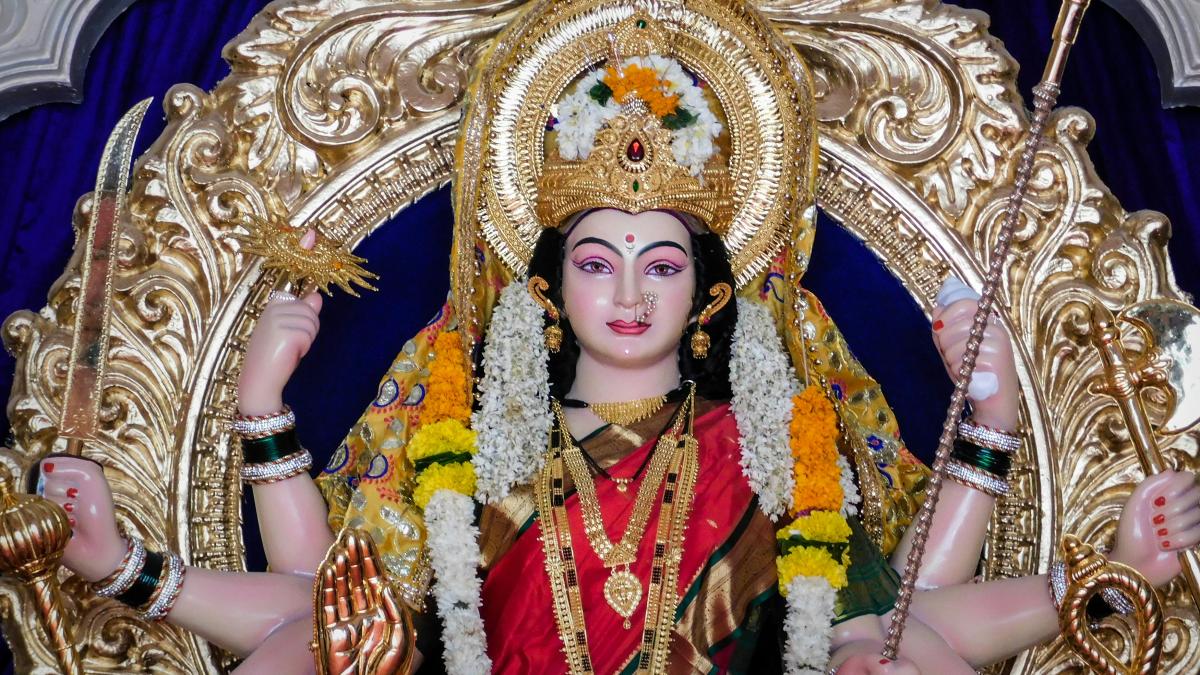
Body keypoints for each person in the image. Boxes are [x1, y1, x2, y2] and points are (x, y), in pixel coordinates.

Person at [28, 1, 1200, 673]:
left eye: (662, 262)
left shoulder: (771, 437)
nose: (629, 295)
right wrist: (237, 435)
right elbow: (324, 607)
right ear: (545, 286)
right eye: (596, 261)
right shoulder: (472, 433)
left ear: (705, 290)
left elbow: (897, 617)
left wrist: (1084, 569)